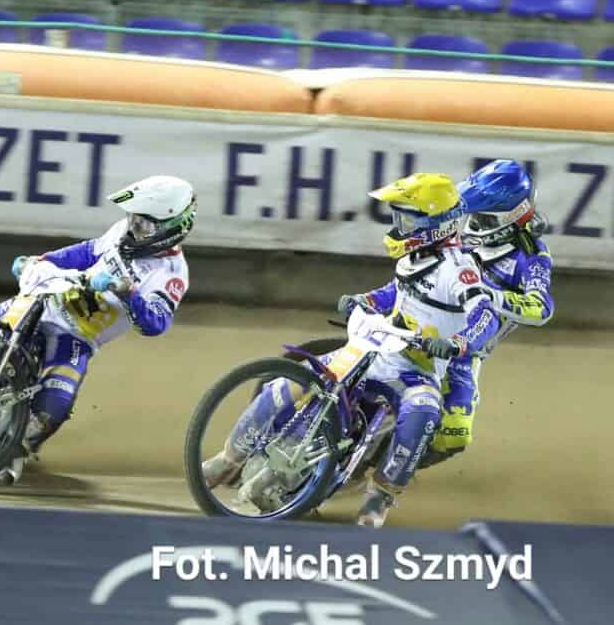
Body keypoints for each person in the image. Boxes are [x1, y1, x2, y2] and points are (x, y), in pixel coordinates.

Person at [204, 173, 500, 527]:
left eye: (406, 219)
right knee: (288, 384)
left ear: (436, 225)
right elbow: (396, 292)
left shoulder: (459, 269)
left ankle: (378, 499)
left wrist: (459, 342)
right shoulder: (414, 257)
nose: (398, 226)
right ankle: (228, 459)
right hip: (373, 350)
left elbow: (486, 315)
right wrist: (365, 300)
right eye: (397, 217)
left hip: (416, 371)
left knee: (422, 413)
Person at [0, 175, 196, 482]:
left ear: (171, 228)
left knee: (56, 405)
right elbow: (86, 252)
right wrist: (42, 261)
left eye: (143, 225)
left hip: (76, 337)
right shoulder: (122, 232)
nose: (133, 228)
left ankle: (11, 449)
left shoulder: (172, 275)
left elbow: (155, 324)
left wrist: (128, 293)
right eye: (132, 219)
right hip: (47, 301)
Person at [418, 160, 554, 469]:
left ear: (509, 218)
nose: (474, 224)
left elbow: (541, 307)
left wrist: (492, 296)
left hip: (468, 346)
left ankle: (380, 469)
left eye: (483, 219)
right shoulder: (460, 233)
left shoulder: (532, 256)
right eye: (474, 216)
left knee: (454, 434)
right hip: (424, 313)